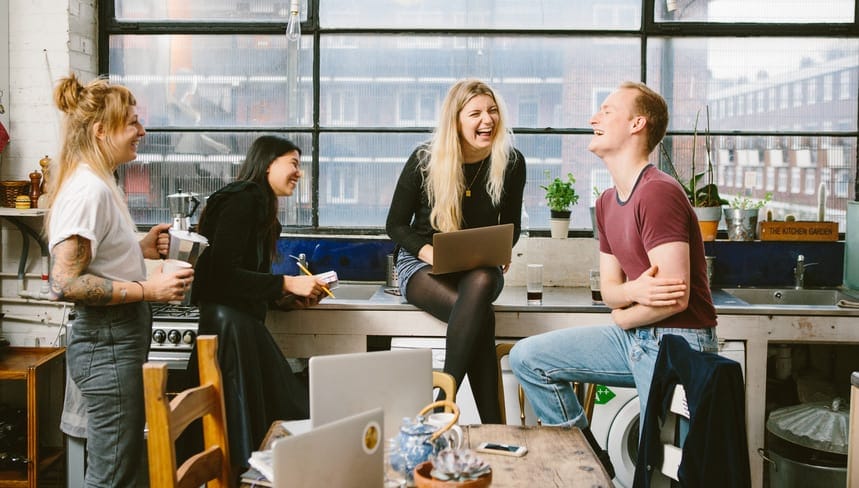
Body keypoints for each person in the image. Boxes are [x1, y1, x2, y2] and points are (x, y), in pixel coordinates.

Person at [509, 81, 718, 476]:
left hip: (680, 343)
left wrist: (623, 313)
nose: (594, 118)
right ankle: (591, 462)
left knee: (663, 470)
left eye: (607, 110)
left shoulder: (658, 193)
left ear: (637, 124)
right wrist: (631, 296)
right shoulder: (606, 202)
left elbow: (674, 299)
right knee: (529, 358)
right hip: (636, 338)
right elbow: (610, 290)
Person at [46, 73, 193, 488]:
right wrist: (148, 289)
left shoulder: (100, 183)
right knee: (111, 475)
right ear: (100, 131)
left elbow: (96, 259)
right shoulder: (88, 190)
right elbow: (64, 284)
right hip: (106, 343)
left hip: (116, 340)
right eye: (132, 123)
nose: (142, 131)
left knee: (121, 469)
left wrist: (138, 247)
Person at [386, 79, 526, 424]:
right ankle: (495, 426)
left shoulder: (511, 162)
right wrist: (431, 253)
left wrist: (502, 249)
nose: (488, 120)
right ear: (456, 119)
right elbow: (396, 226)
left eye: (493, 111)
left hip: (479, 267)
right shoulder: (424, 160)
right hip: (422, 265)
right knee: (479, 317)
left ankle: (442, 401)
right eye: (476, 112)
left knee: (478, 285)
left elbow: (513, 225)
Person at [190, 135, 328, 472]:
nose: (299, 172)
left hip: (236, 328)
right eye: (293, 163)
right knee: (291, 413)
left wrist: (284, 299)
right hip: (230, 332)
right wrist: (287, 281)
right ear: (268, 163)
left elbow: (240, 280)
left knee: (262, 424)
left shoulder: (258, 206)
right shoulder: (245, 200)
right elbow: (221, 276)